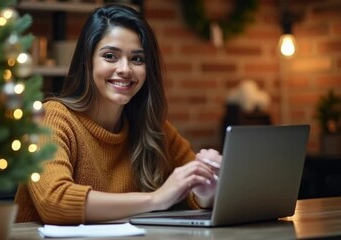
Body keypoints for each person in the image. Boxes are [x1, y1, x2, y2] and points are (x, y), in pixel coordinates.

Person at [14, 4, 222, 225]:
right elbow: (55, 202)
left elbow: (193, 197)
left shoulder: (153, 127)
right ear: (88, 61)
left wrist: (206, 189)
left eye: (137, 59)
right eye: (110, 56)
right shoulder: (51, 118)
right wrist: (154, 199)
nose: (125, 69)